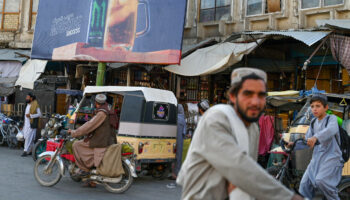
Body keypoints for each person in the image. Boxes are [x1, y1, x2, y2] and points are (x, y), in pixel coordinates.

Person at [176, 67, 303, 200]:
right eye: (248, 94)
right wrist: (289, 197)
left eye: (261, 95)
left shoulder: (253, 127)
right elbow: (239, 166)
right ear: (232, 96)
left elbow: (246, 172)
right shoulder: (216, 118)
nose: (255, 101)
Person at [299, 93, 343, 200]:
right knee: (304, 185)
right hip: (316, 158)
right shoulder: (313, 122)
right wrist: (294, 143)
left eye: (318, 106)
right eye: (312, 106)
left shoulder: (331, 119)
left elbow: (330, 130)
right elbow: (307, 139)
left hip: (331, 157)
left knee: (321, 181)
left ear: (326, 107)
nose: (314, 109)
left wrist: (316, 137)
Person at [68, 94, 117, 184]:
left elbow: (89, 125)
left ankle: (84, 169)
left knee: (76, 145)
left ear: (97, 103)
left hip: (101, 140)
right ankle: (91, 180)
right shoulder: (107, 109)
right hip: (106, 138)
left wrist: (75, 132)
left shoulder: (102, 113)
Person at [21, 93, 41, 157]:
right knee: (30, 138)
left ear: (31, 98)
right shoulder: (27, 105)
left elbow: (40, 114)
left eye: (27, 97)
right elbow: (24, 115)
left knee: (28, 138)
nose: (26, 98)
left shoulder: (35, 105)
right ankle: (31, 151)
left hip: (31, 124)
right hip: (26, 124)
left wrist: (31, 115)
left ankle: (25, 151)